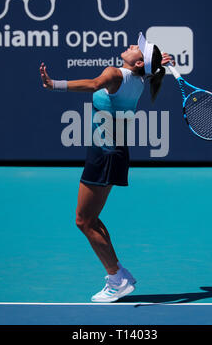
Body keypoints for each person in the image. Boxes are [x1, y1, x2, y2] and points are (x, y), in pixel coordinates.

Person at [39, 32, 175, 302]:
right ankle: (119, 275)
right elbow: (147, 70)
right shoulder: (138, 78)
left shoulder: (115, 74)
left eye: (139, 49)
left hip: (105, 152)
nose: (133, 45)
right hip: (114, 151)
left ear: (139, 64)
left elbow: (92, 84)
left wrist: (55, 84)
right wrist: (159, 62)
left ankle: (117, 277)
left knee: (83, 220)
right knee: (90, 219)